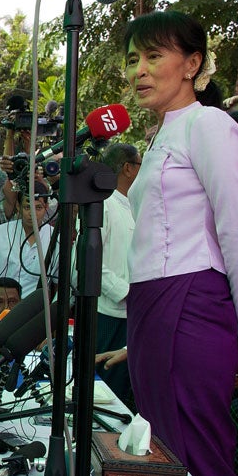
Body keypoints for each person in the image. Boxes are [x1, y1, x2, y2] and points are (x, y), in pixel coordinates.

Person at [123, 10, 238, 476]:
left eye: (155, 56)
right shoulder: (161, 138)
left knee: (200, 459)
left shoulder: (209, 125)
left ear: (193, 64)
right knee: (163, 452)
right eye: (135, 58)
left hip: (190, 303)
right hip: (152, 304)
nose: (140, 69)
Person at [96, 142, 140, 406]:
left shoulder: (134, 205)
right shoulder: (103, 204)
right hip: (109, 314)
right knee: (105, 392)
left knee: (126, 392)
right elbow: (88, 263)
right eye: (140, 165)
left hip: (134, 313)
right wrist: (126, 293)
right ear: (128, 168)